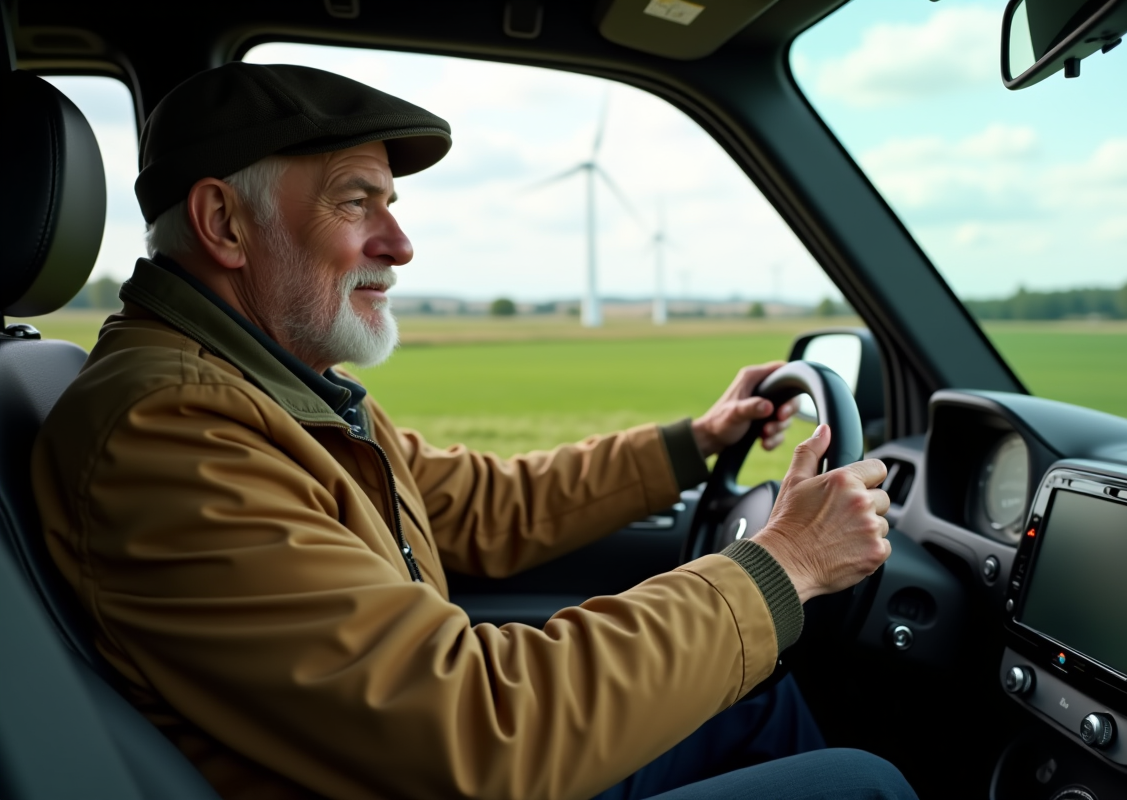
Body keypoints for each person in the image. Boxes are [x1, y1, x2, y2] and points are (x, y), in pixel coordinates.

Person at [32, 63, 913, 800]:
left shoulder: (273, 393)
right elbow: (478, 727)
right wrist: (785, 563)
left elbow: (484, 506)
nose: (401, 242)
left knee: (754, 702)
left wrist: (694, 440)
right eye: (357, 202)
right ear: (225, 223)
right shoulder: (174, 435)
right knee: (862, 784)